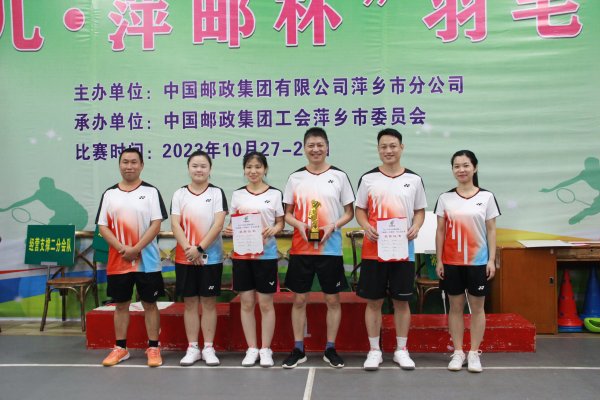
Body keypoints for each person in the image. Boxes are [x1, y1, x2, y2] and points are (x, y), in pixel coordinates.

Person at [281, 127, 355, 369]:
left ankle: (330, 348)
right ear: (304, 148)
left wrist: (333, 225)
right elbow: (287, 213)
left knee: (332, 300)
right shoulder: (295, 178)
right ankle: (298, 348)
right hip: (301, 249)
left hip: (329, 249)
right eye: (311, 145)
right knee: (299, 299)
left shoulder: (339, 176)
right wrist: (299, 225)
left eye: (320, 145)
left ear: (327, 147)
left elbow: (349, 212)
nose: (316, 149)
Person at [355, 128, 426, 371]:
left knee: (401, 302)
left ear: (401, 148)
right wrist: (366, 226)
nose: (388, 150)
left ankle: (401, 350)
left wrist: (416, 226)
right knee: (374, 302)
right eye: (384, 146)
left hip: (402, 251)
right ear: (378, 149)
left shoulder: (414, 180)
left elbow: (419, 211)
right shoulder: (368, 179)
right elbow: (360, 210)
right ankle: (374, 350)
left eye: (393, 146)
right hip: (373, 251)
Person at [96, 148, 168, 367]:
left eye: (134, 162)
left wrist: (136, 248)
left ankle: (153, 348)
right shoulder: (110, 194)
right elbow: (103, 226)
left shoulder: (151, 192)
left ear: (141, 165)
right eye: (125, 162)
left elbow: (156, 224)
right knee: (121, 304)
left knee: (150, 304)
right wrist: (122, 248)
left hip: (148, 261)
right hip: (119, 261)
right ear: (119, 165)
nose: (129, 166)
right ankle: (120, 348)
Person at [434, 150, 500, 373]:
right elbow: (440, 231)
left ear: (475, 167)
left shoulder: (487, 197)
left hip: (478, 263)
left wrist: (491, 259)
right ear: (452, 169)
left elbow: (491, 230)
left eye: (465, 165)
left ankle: (473, 353)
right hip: (451, 262)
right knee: (455, 308)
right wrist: (439, 260)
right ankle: (458, 352)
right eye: (457, 166)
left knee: (477, 309)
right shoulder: (445, 198)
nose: (461, 170)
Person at [224, 151, 284, 367]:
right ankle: (252, 348)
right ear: (244, 170)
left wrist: (274, 229)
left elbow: (280, 222)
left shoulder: (275, 194)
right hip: (242, 255)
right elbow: (233, 223)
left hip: (266, 256)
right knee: (247, 303)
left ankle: (266, 349)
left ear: (265, 169)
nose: (253, 171)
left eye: (258, 167)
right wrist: (230, 229)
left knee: (266, 304)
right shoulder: (238, 195)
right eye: (249, 167)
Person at [171, 150, 228, 367]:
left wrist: (200, 248)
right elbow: (175, 224)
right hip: (185, 257)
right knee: (190, 303)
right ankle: (193, 347)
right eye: (195, 165)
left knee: (209, 302)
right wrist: (189, 249)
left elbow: (218, 224)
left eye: (203, 166)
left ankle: (209, 347)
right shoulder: (179, 194)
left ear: (210, 169)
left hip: (210, 258)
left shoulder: (217, 193)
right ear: (188, 168)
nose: (199, 169)